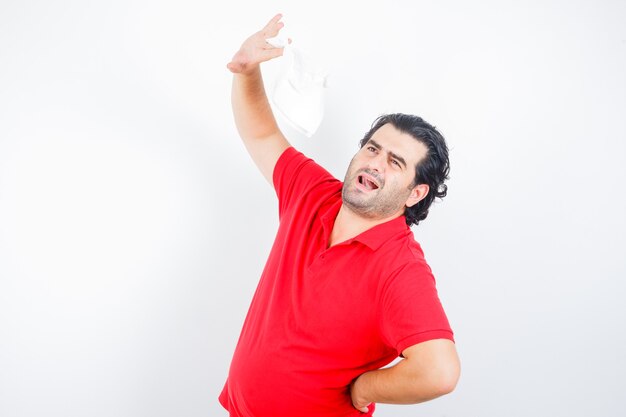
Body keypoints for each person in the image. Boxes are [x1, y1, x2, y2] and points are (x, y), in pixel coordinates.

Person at [220, 14, 460, 417]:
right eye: (372, 149)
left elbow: (439, 372)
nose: (375, 164)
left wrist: (367, 387)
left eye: (395, 162)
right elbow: (262, 133)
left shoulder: (400, 268)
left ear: (415, 193)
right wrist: (246, 72)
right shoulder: (313, 193)